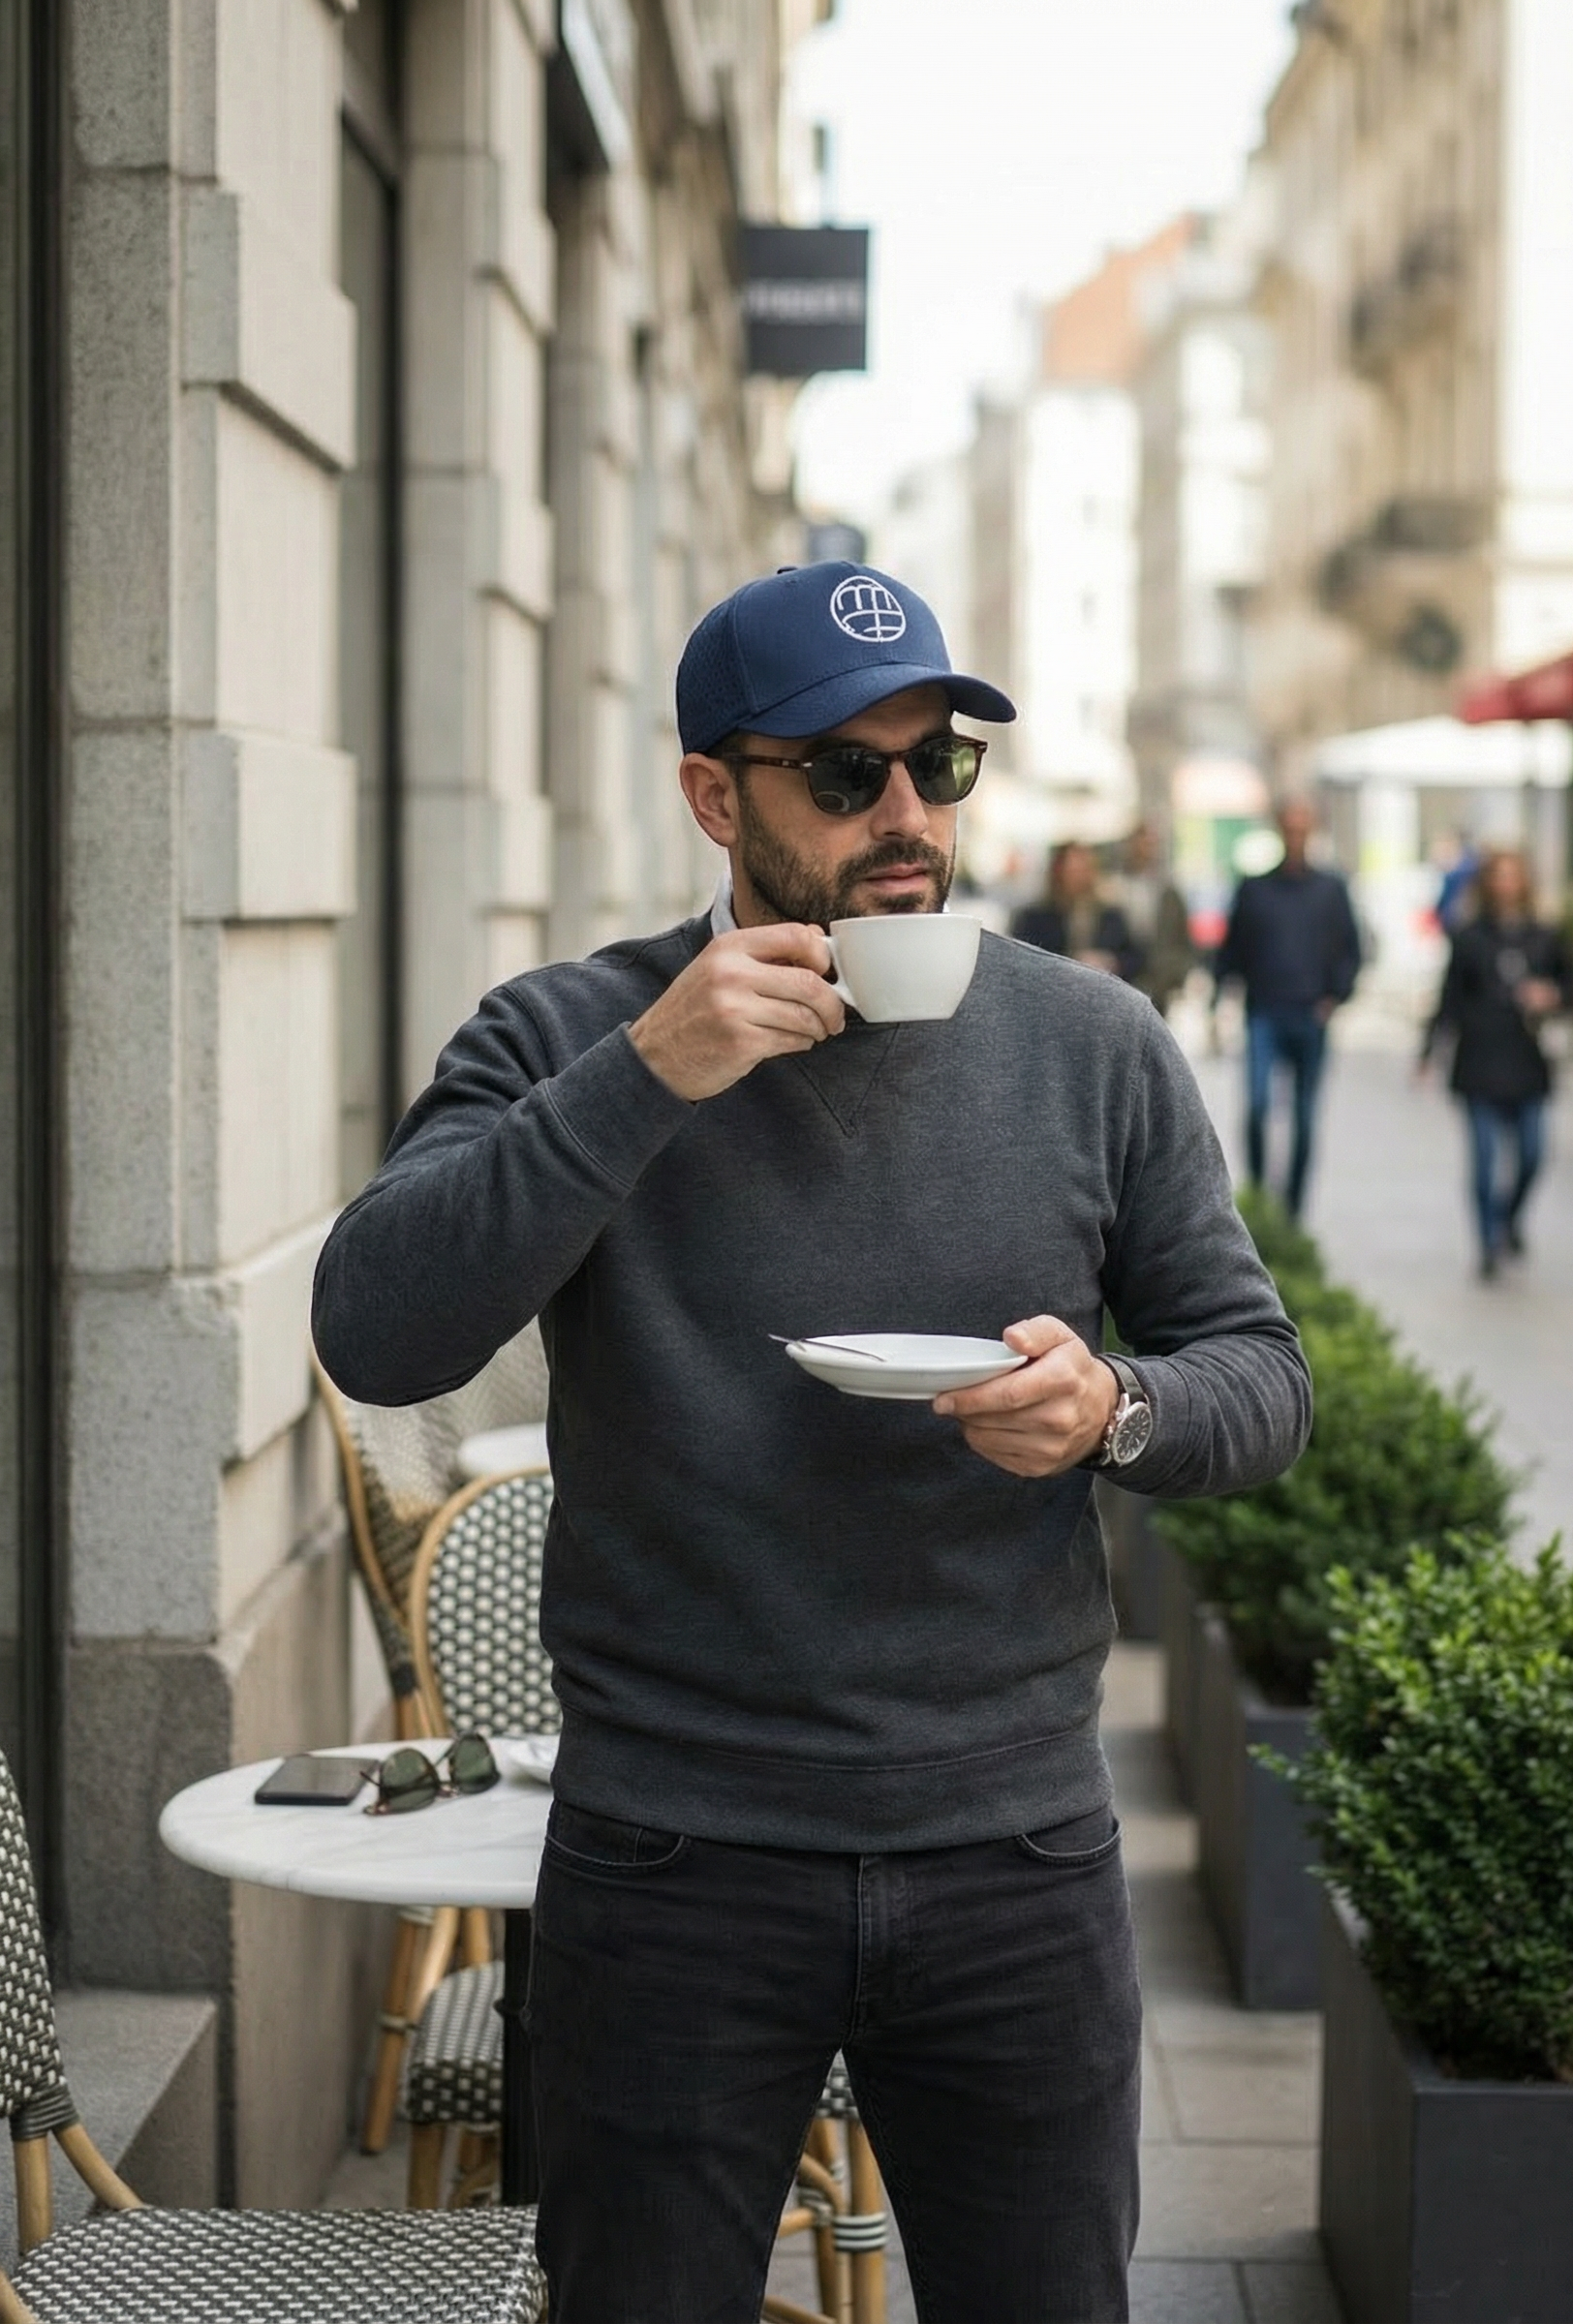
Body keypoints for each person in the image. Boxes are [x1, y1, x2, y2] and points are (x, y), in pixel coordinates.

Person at [312, 559, 1312, 2324]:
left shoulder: (1094, 1044)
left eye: (940, 764)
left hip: (1015, 1850)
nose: (907, 816)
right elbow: (376, 1331)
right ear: (717, 798)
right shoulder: (572, 1034)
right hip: (670, 1857)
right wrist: (644, 1074)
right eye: (847, 775)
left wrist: (1116, 1409)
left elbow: (1261, 1377)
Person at [1419, 846, 1566, 1280]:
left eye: (1512, 875)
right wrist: (1428, 1052)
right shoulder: (1469, 937)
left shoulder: (1544, 936)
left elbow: (1571, 986)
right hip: (1480, 1059)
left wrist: (1551, 996)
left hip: (1528, 1059)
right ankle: (1486, 1243)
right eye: (1498, 876)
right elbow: (1448, 998)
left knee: (1532, 1154)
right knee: (1484, 1160)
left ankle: (1508, 1218)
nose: (1505, 884)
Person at [1214, 798, 1362, 1216]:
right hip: (1264, 1012)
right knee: (1258, 1106)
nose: (1296, 836)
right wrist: (1218, 1000)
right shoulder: (1255, 889)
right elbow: (1231, 949)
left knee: (1305, 1116)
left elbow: (1351, 950)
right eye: (1289, 827)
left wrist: (1336, 995)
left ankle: (1294, 1207)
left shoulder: (1331, 889)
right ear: (1279, 830)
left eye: (1302, 828)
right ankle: (1260, 1194)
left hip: (1311, 1014)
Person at [1010, 839, 1145, 980]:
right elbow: (1023, 960)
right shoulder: (1034, 918)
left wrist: (1111, 962)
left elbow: (1135, 957)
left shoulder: (1110, 916)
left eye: (1082, 870)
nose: (1076, 877)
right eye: (1071, 871)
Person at [1108, 822, 1195, 1014]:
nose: (1144, 850)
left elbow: (1181, 936)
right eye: (1140, 844)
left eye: (1150, 845)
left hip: (1160, 979)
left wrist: (1178, 973)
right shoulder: (1114, 887)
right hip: (1123, 977)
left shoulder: (1168, 891)